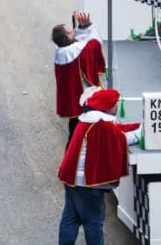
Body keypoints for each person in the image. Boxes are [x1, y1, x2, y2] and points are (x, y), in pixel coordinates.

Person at [57, 88, 141, 245]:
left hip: (72, 180)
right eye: (115, 104)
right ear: (107, 106)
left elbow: (116, 131)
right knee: (93, 223)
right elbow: (120, 139)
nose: (117, 106)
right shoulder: (102, 124)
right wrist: (140, 134)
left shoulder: (89, 121)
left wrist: (136, 126)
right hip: (87, 185)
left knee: (71, 218)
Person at [52, 11, 105, 143]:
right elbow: (95, 43)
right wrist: (88, 26)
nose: (74, 31)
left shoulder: (60, 51)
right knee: (83, 135)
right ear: (68, 36)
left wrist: (82, 29)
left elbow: (80, 42)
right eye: (71, 31)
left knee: (74, 132)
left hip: (73, 101)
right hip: (85, 101)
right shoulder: (78, 51)